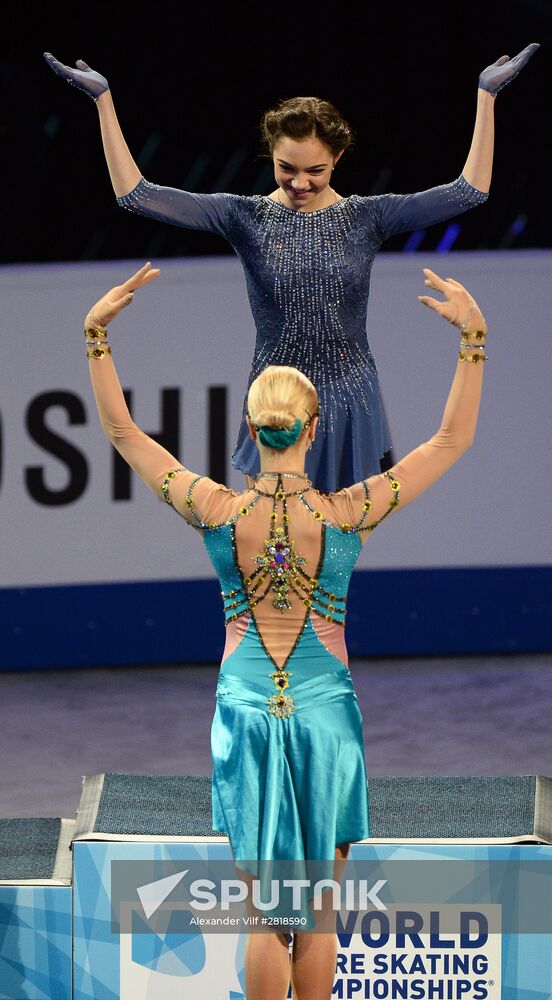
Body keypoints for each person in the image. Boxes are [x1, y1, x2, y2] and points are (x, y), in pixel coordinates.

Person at [82, 260, 487, 1000]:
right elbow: (450, 441)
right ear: (316, 426)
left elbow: (123, 431)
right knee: (322, 912)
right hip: (325, 708)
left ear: (250, 425)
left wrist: (96, 338)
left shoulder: (215, 509)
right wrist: (474, 340)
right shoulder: (347, 513)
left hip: (244, 703)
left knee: (261, 910)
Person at [44, 44, 536, 493]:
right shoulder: (244, 215)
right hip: (275, 396)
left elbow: (469, 191)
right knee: (276, 541)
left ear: (338, 158)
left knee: (340, 542)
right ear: (271, 156)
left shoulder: (368, 216)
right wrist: (104, 102)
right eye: (286, 168)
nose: (300, 182)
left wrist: (485, 98)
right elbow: (137, 195)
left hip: (349, 396)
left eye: (315, 171)